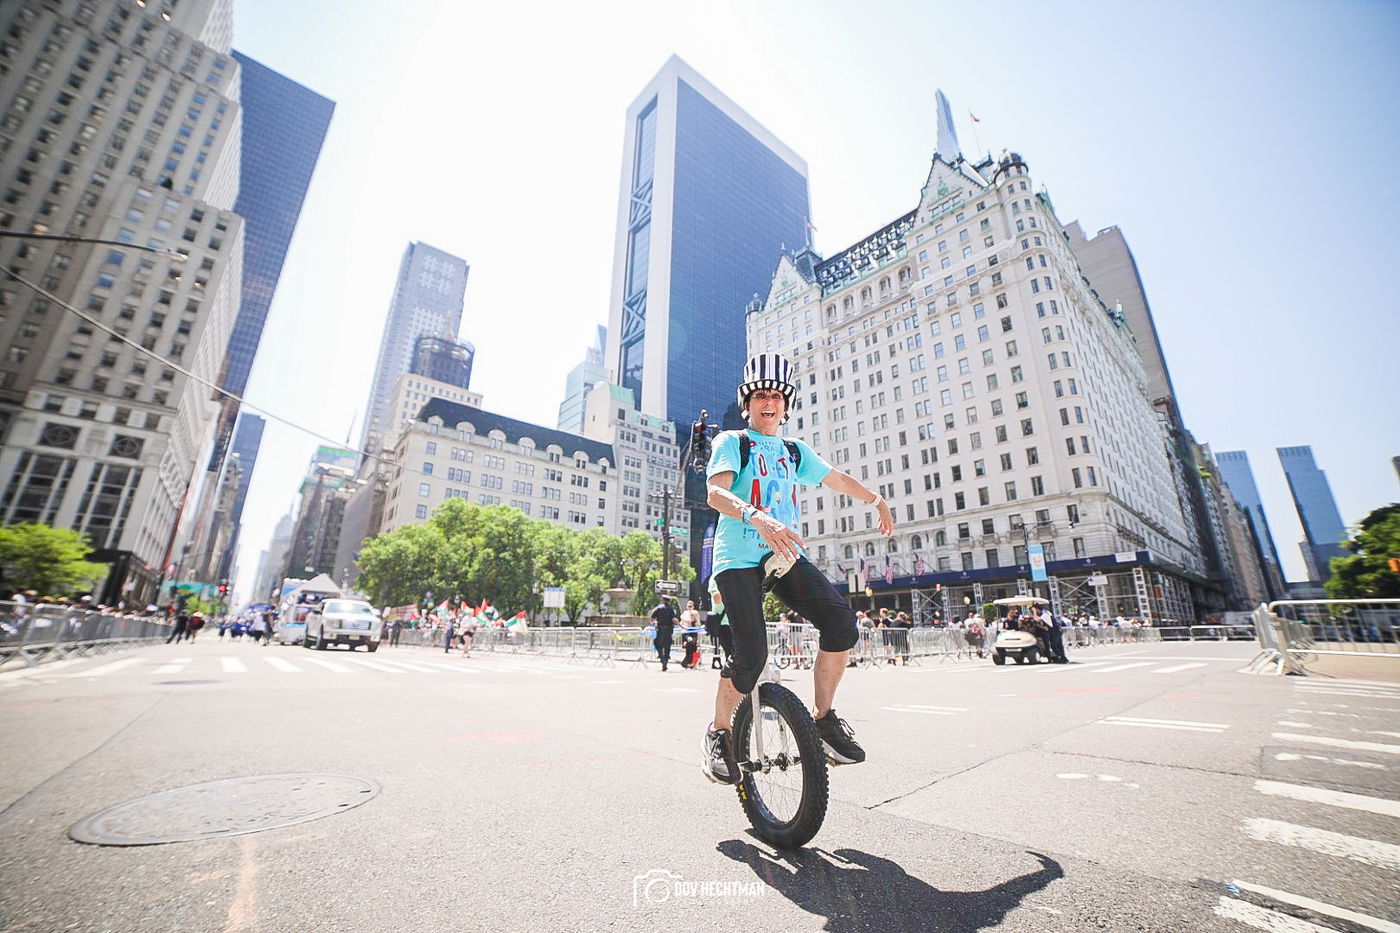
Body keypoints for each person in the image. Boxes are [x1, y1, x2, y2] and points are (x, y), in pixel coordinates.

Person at [701, 352, 895, 785]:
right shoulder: (733, 442)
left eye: (775, 395)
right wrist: (757, 515)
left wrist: (876, 500)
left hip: (784, 555)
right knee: (751, 655)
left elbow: (838, 478)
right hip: (739, 557)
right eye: (759, 396)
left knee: (842, 624)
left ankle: (823, 720)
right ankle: (719, 733)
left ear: (785, 405)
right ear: (747, 403)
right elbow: (716, 494)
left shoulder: (793, 451)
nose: (768, 402)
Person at [650, 596, 678, 671]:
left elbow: (652, 618)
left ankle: (662, 658)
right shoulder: (671, 609)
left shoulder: (658, 608)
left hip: (660, 629)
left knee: (657, 643)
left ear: (662, 600)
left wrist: (654, 623)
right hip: (669, 630)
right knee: (667, 646)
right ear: (669, 601)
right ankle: (665, 661)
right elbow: (674, 619)